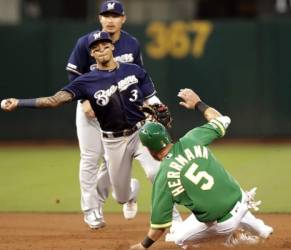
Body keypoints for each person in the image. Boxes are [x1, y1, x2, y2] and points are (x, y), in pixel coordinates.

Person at [1, 31, 179, 232]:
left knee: (156, 172)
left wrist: (160, 107)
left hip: (141, 133)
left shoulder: (134, 71)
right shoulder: (85, 82)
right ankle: (131, 191)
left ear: (112, 47)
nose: (101, 50)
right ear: (91, 54)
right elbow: (54, 100)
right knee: (120, 197)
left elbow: (152, 99)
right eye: (96, 48)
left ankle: (175, 223)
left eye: (105, 45)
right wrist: (19, 103)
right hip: (113, 142)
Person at [130, 88, 273, 249]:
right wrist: (198, 103)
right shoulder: (192, 138)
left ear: (150, 150)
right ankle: (261, 228)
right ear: (167, 136)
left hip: (224, 224)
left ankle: (234, 236)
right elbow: (221, 119)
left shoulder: (163, 176)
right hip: (240, 198)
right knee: (223, 199)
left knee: (177, 238)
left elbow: (158, 227)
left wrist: (143, 246)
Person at [65, 0, 145, 229]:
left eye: (115, 15)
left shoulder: (132, 44)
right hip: (90, 108)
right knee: (90, 159)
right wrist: (83, 100)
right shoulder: (86, 43)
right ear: (100, 18)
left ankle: (128, 192)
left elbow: (139, 76)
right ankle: (91, 211)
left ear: (123, 19)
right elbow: (73, 73)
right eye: (106, 15)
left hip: (121, 111)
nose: (110, 20)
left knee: (113, 161)